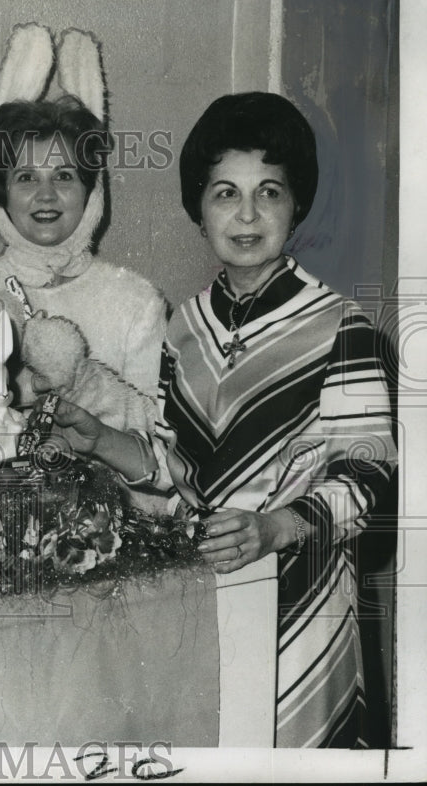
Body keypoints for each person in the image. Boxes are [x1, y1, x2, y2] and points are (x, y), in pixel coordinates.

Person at [51, 91, 397, 748]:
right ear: (199, 208)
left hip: (304, 603)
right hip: (202, 597)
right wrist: (102, 441)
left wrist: (275, 527)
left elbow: (368, 475)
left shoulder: (340, 326)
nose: (247, 214)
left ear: (296, 204)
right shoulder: (183, 327)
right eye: (225, 193)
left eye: (269, 192)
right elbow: (171, 470)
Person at [0, 96, 167, 422]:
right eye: (27, 177)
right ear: (3, 193)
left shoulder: (139, 302)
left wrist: (80, 379)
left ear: (89, 191)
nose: (46, 195)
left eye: (63, 176)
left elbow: (157, 434)